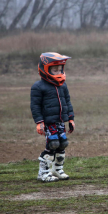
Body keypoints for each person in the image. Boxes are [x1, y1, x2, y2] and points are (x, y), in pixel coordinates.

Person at [30, 52, 76, 182]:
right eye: (54, 69)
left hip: (60, 121)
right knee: (52, 144)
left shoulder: (63, 86)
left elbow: (67, 102)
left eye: (59, 69)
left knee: (63, 144)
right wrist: (39, 122)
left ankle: (57, 169)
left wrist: (71, 119)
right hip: (49, 122)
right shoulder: (38, 87)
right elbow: (35, 106)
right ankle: (43, 172)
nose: (58, 72)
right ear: (45, 69)